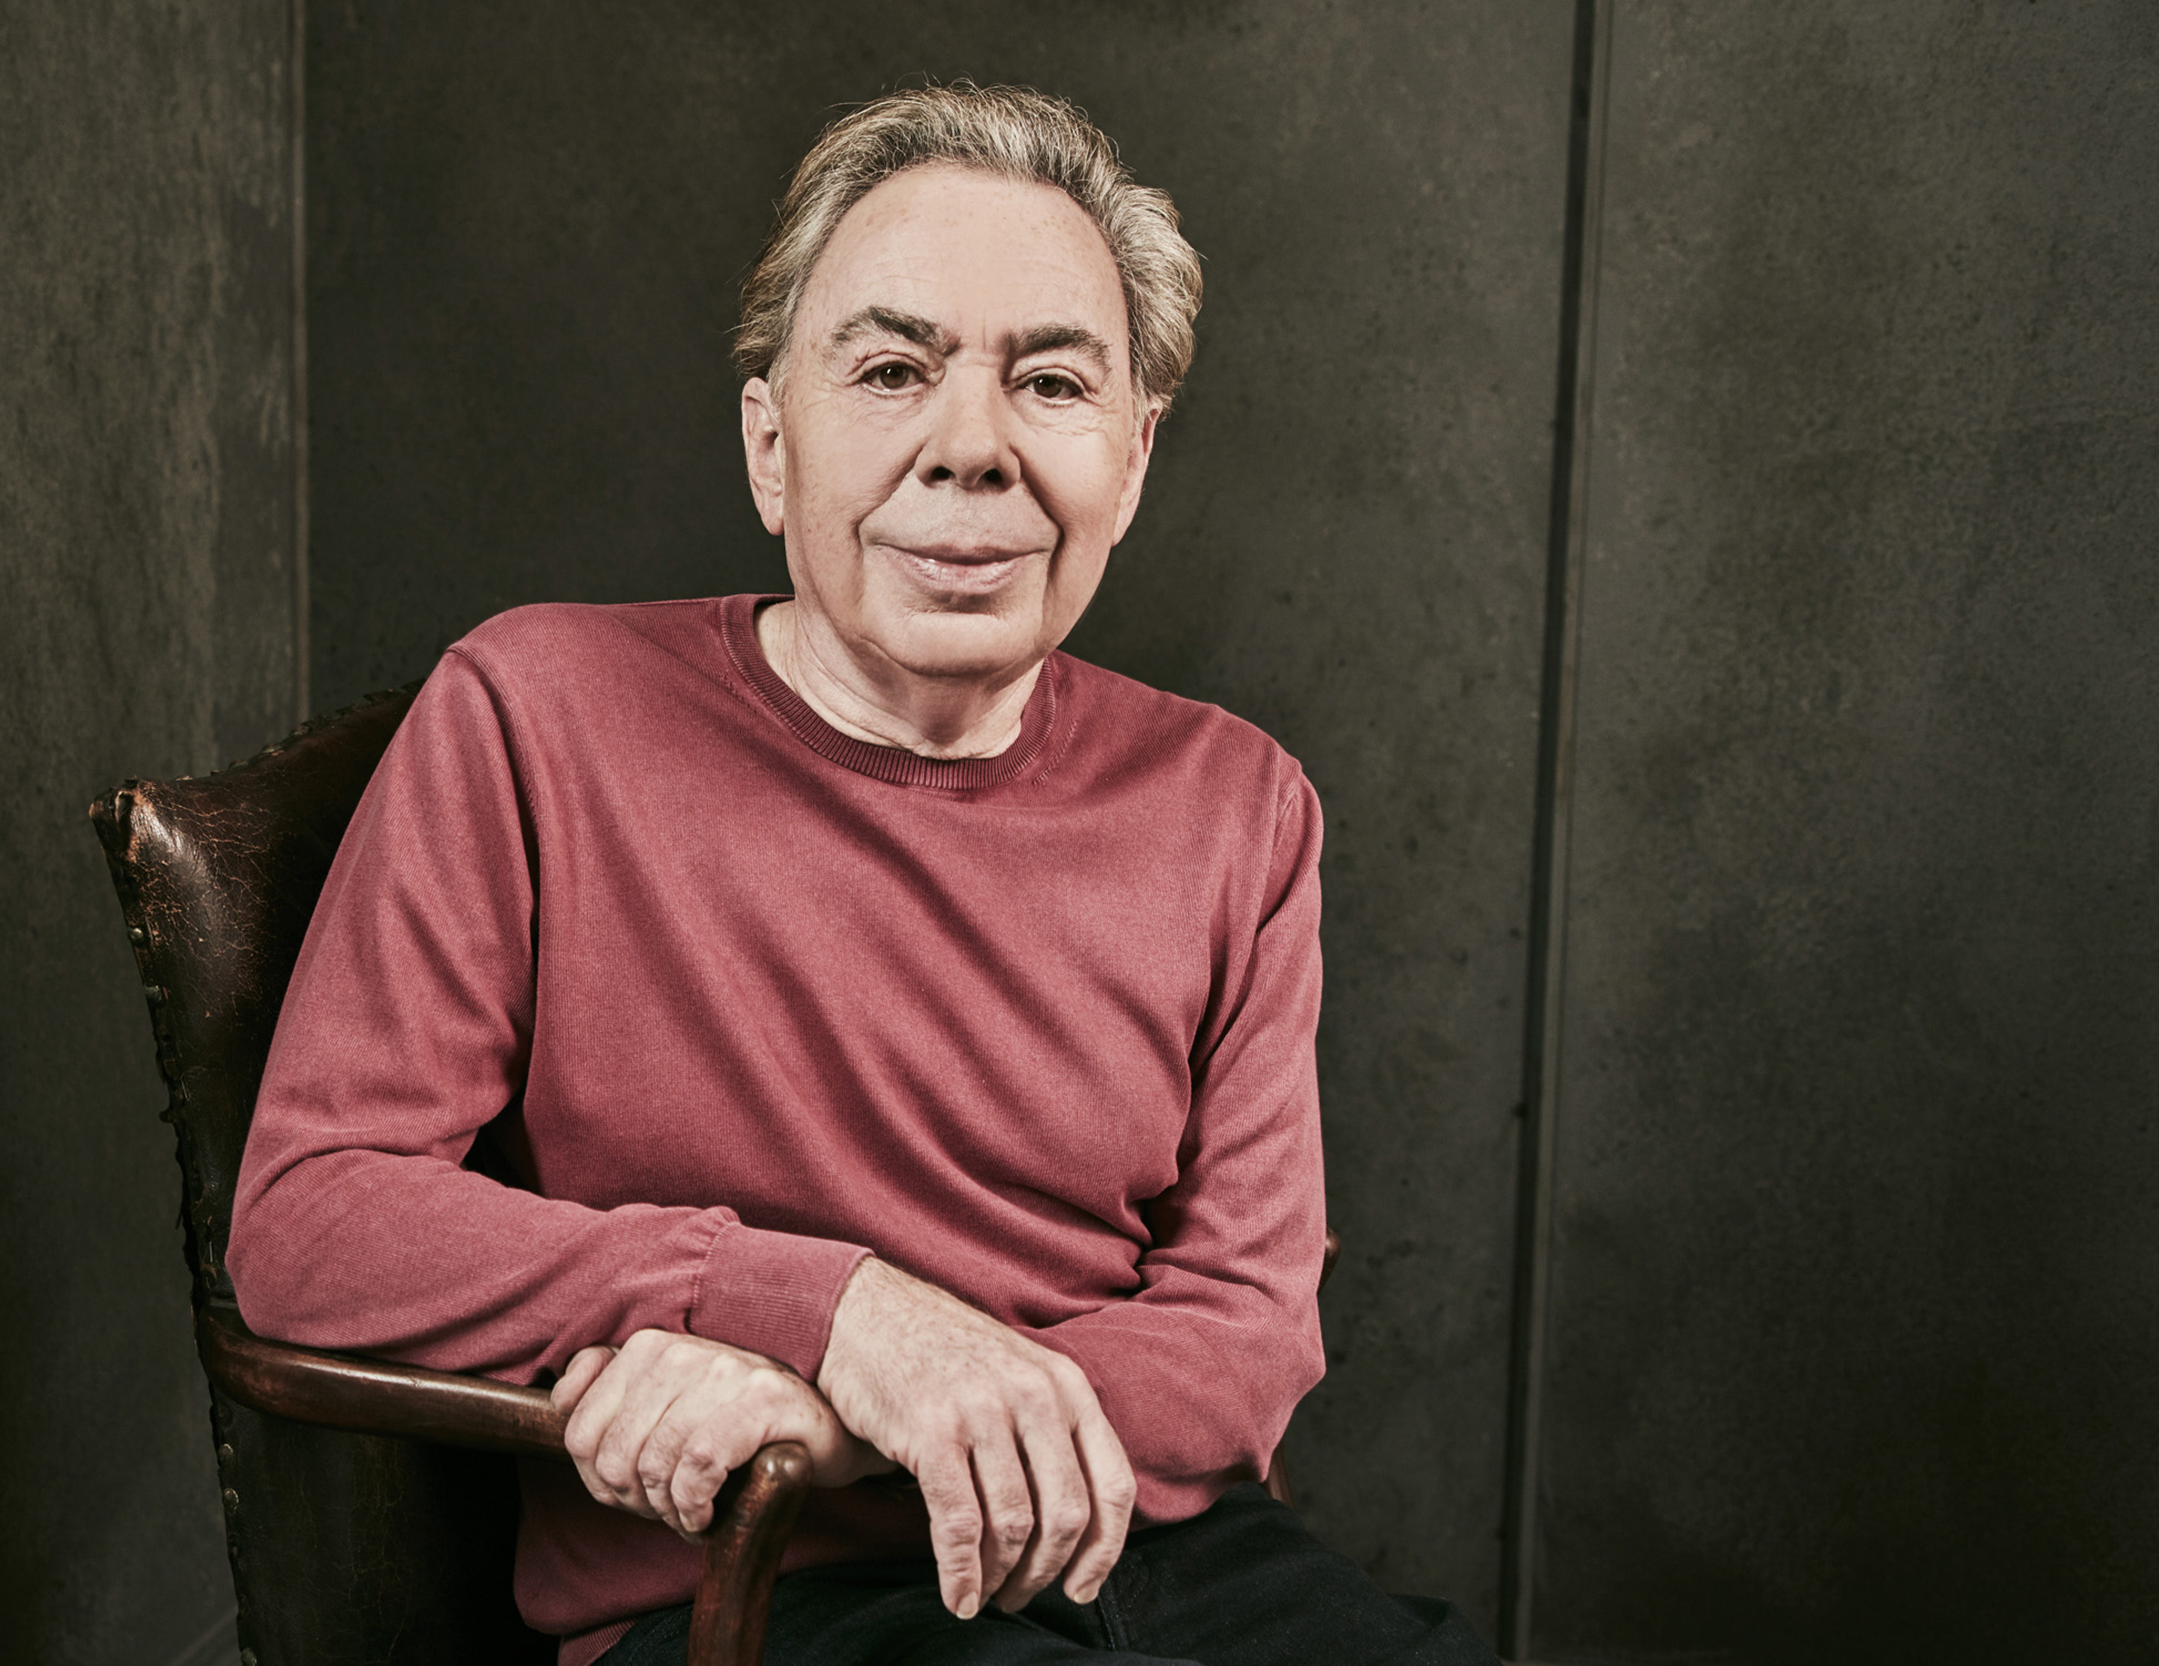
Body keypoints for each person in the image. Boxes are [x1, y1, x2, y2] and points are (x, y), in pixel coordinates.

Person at [231, 83, 1498, 1666]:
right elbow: (313, 1219)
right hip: (754, 1592)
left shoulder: (1241, 802)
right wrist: (829, 1308)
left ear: (1131, 460)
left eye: (1051, 382)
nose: (969, 450)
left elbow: (1247, 1330)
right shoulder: (532, 713)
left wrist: (853, 1414)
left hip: (1156, 1542)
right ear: (772, 446)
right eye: (892, 371)